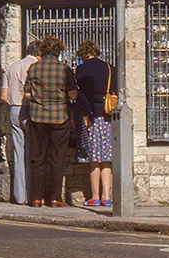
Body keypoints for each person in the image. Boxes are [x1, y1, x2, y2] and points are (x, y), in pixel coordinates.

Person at [22, 35, 78, 208]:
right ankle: (55, 198)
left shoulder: (33, 68)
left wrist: (40, 98)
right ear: (59, 51)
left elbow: (27, 94)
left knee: (37, 158)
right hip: (60, 117)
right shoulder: (65, 69)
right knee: (57, 158)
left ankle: (36, 198)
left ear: (43, 51)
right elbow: (73, 94)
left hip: (37, 117)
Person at [73, 41, 115, 208]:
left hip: (90, 117)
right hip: (107, 117)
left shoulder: (82, 70)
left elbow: (81, 95)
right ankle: (106, 197)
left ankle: (95, 196)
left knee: (93, 159)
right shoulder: (111, 68)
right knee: (106, 159)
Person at [0, 40, 40, 204]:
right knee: (34, 152)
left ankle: (19, 196)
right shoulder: (37, 66)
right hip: (32, 108)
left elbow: (3, 96)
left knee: (18, 152)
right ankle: (33, 194)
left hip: (14, 110)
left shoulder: (11, 67)